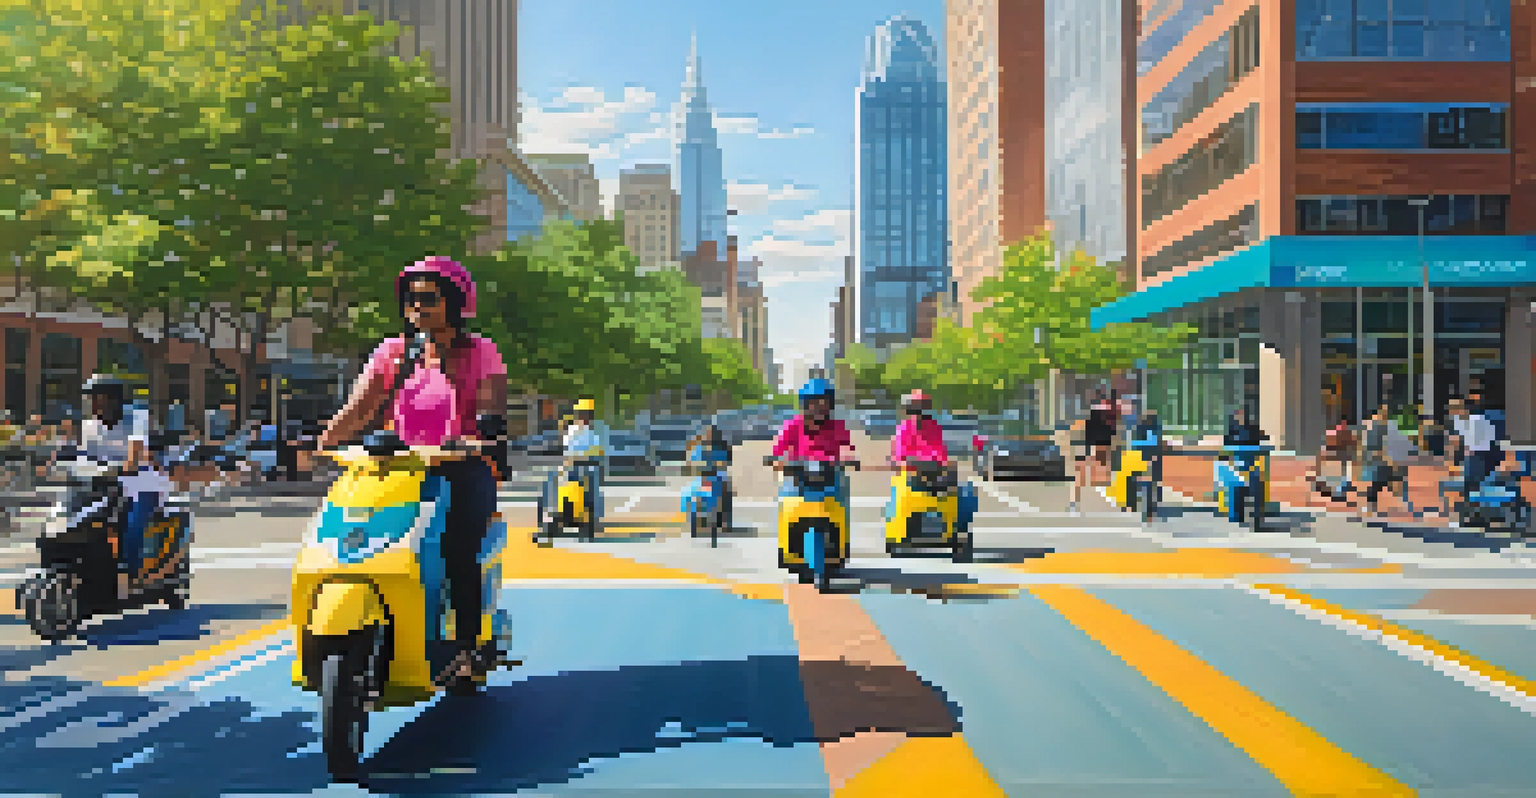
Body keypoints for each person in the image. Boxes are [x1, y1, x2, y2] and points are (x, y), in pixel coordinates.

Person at [317, 255, 508, 691]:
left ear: (457, 304)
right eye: (411, 298)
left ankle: (464, 648)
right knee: (358, 537)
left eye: (428, 299)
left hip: (460, 466)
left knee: (458, 550)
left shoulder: (480, 351)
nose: (416, 307)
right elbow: (361, 408)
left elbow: (493, 402)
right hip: (396, 468)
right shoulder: (393, 352)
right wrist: (322, 442)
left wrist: (487, 434)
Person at [75, 376, 156, 600]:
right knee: (75, 515)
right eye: (91, 399)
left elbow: (134, 456)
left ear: (115, 400)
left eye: (99, 399)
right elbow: (82, 458)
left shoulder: (137, 418)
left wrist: (124, 468)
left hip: (140, 481)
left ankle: (129, 573)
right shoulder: (88, 426)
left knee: (133, 519)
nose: (94, 405)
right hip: (101, 483)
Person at [888, 389, 978, 535]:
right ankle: (901, 529)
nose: (919, 412)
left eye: (922, 407)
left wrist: (943, 462)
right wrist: (912, 462)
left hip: (934, 476)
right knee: (898, 491)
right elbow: (900, 453)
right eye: (915, 408)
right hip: (912, 477)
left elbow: (938, 450)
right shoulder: (904, 428)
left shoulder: (933, 427)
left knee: (965, 492)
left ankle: (955, 527)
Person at [770, 379, 856, 505]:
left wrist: (846, 457)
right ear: (805, 405)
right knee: (785, 491)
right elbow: (778, 454)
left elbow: (847, 448)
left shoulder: (838, 426)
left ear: (830, 406)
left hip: (830, 478)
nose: (819, 408)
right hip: (798, 479)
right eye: (814, 403)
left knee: (843, 482)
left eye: (823, 403)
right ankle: (783, 523)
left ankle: (842, 523)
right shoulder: (792, 425)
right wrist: (782, 462)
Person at [543, 398, 606, 526]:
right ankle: (552, 512)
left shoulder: (594, 433)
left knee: (593, 483)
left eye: (587, 414)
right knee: (552, 479)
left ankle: (593, 516)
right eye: (582, 414)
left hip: (588, 466)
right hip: (572, 466)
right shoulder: (572, 431)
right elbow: (568, 452)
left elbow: (598, 452)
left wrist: (585, 457)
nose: (584, 418)